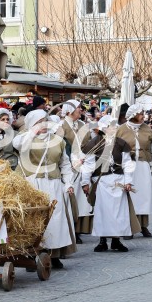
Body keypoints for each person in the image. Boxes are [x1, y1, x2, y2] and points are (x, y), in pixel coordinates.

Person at [13, 109, 76, 269]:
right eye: (39, 122)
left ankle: (53, 255)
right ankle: (31, 255)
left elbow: (65, 164)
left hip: (54, 184)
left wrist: (68, 183)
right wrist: (32, 131)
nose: (43, 125)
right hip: (32, 184)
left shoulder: (58, 140)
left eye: (45, 121)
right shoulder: (24, 138)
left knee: (54, 220)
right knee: (33, 220)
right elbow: (18, 145)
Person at [81, 115, 134, 252]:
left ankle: (116, 240)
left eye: (115, 125)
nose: (115, 128)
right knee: (102, 212)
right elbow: (88, 165)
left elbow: (127, 163)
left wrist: (128, 181)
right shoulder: (94, 143)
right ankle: (102, 241)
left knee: (118, 212)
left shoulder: (121, 143)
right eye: (112, 126)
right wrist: (85, 182)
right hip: (101, 181)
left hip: (118, 181)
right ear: (104, 128)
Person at [116, 103, 152, 238]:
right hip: (128, 166)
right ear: (133, 115)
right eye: (140, 114)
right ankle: (129, 227)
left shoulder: (147, 129)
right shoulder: (121, 130)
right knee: (129, 196)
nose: (143, 116)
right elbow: (115, 149)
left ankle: (143, 225)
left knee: (144, 196)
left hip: (143, 165)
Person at [57, 100, 93, 241]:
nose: (80, 110)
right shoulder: (61, 126)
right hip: (70, 165)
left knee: (81, 198)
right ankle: (70, 229)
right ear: (69, 110)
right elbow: (60, 147)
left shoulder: (83, 125)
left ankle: (79, 229)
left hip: (84, 164)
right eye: (78, 108)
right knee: (70, 198)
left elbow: (88, 144)